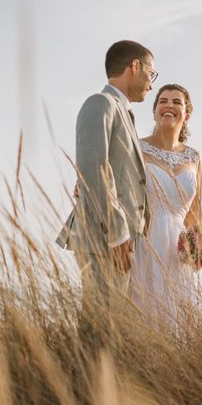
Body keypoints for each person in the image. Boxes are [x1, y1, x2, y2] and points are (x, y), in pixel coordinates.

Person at [57, 40, 156, 352]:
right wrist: (116, 233)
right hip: (104, 237)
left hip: (116, 238)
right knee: (101, 329)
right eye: (151, 74)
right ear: (135, 67)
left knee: (111, 328)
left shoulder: (123, 112)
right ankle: (89, 395)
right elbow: (92, 165)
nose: (151, 84)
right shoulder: (100, 104)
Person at [129, 83, 202, 331]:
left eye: (176, 102)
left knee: (178, 321)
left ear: (187, 114)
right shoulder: (136, 147)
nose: (169, 106)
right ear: (154, 111)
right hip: (144, 243)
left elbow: (195, 214)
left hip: (179, 254)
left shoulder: (194, 157)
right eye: (163, 101)